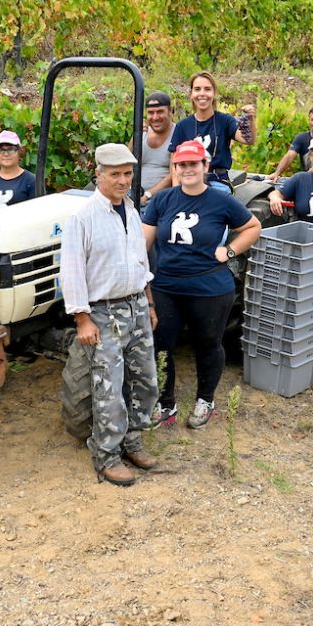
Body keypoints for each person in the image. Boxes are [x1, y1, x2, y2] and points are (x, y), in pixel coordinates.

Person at [142, 141, 262, 428]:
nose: (187, 169)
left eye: (194, 163)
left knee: (208, 343)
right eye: (181, 164)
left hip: (209, 287)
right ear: (174, 168)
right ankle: (166, 404)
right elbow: (142, 244)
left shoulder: (220, 201)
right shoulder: (162, 200)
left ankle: (205, 398)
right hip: (167, 286)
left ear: (205, 166)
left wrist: (230, 251)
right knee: (161, 344)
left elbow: (253, 226)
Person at [59, 144, 159, 486]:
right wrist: (82, 318)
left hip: (136, 306)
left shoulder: (130, 210)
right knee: (109, 388)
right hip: (103, 313)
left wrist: (148, 301)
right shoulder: (83, 217)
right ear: (98, 174)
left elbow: (139, 261)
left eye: (127, 174)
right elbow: (71, 270)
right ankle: (106, 456)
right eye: (114, 174)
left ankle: (132, 441)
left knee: (145, 380)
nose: (122, 180)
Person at [166, 71, 256, 192]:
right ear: (191, 94)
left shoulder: (225, 121)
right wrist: (176, 193)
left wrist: (250, 118)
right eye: (197, 89)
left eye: (207, 89)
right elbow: (174, 163)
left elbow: (248, 139)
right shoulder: (182, 126)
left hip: (218, 182)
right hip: (189, 183)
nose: (202, 94)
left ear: (214, 93)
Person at [268, 135, 313, 224]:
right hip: (303, 233)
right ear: (310, 156)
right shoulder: (300, 179)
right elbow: (276, 193)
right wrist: (274, 198)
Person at [138, 91, 174, 205]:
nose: (155, 117)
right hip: (133, 195)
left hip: (160, 200)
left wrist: (147, 195)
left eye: (160, 112)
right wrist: (136, 135)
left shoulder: (178, 134)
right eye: (150, 113)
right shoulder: (142, 133)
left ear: (170, 111)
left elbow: (173, 175)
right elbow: (128, 160)